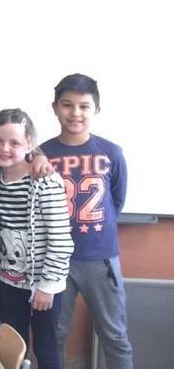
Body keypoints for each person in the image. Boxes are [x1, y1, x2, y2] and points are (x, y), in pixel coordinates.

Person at [40, 74, 133, 369]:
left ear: (97, 110)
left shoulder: (111, 153)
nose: (75, 113)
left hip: (99, 258)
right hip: (54, 260)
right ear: (55, 107)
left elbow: (116, 201)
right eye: (67, 105)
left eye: (83, 106)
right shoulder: (42, 154)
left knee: (114, 335)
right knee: (53, 334)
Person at [0, 108, 74, 369]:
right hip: (9, 280)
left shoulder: (45, 182)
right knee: (14, 344)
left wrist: (47, 286)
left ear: (30, 145)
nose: (5, 148)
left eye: (14, 142)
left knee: (46, 348)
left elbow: (60, 239)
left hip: (43, 285)